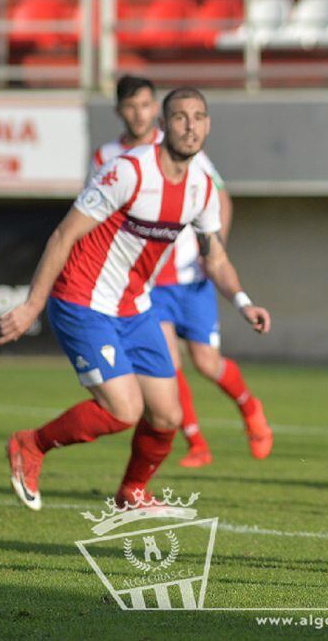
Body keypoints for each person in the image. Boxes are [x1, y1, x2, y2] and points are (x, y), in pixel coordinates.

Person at [0, 87, 271, 510]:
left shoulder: (201, 187)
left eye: (198, 117)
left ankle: (131, 492)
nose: (190, 125)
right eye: (180, 117)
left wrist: (242, 301)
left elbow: (214, 257)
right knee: (123, 410)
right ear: (163, 126)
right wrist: (33, 304)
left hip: (133, 304)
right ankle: (30, 445)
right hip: (82, 299)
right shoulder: (127, 171)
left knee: (167, 415)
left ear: (208, 125)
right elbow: (64, 234)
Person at [91, 76, 272, 469]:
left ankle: (250, 408)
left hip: (192, 277)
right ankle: (196, 442)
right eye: (130, 106)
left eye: (144, 105)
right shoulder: (107, 156)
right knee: (167, 365)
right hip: (147, 284)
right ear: (119, 110)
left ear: (154, 109)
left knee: (207, 363)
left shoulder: (179, 147)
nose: (138, 114)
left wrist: (215, 247)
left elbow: (219, 197)